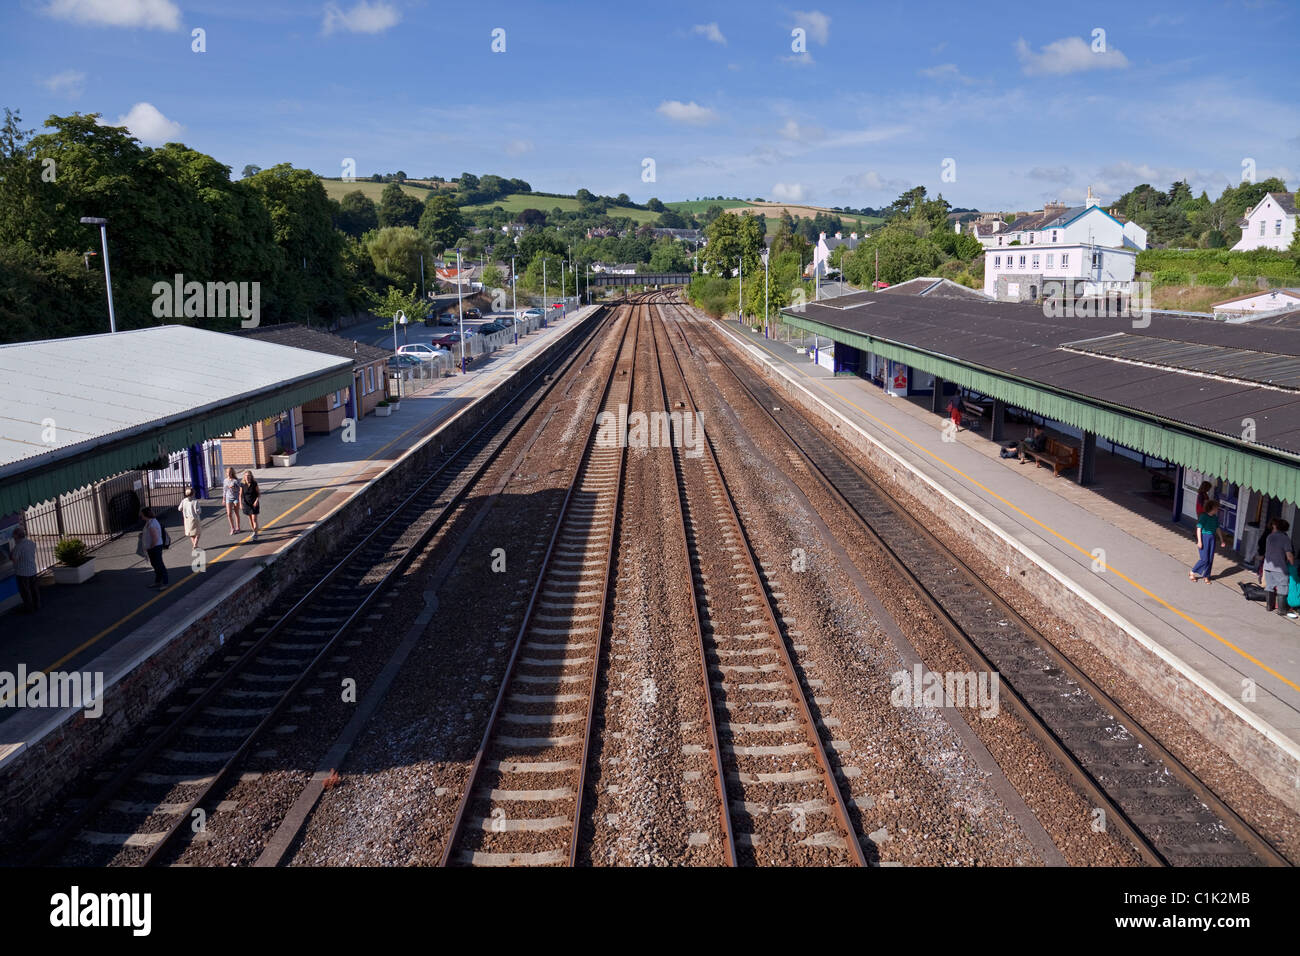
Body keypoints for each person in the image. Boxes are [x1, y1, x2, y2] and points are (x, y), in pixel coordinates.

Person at [1260, 518, 1295, 616]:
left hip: (1267, 566)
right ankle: (1281, 610)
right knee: (1283, 587)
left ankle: (1269, 606)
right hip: (1279, 568)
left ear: (1276, 527)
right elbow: (1289, 555)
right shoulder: (1285, 538)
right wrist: (1292, 563)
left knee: (1269, 586)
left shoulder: (1270, 537)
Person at [1189, 499, 1226, 583]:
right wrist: (1199, 541)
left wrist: (1222, 540)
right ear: (1212, 508)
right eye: (1216, 508)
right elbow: (1199, 529)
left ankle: (1207, 575)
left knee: (1210, 558)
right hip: (1204, 537)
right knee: (1204, 559)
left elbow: (1217, 528)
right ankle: (1192, 572)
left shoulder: (1215, 518)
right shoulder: (1204, 516)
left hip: (1212, 537)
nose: (1217, 509)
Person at [9, 527, 40, 614]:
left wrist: (11, 553)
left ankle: (29, 608)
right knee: (34, 589)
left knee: (25, 591)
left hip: (22, 572)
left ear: (16, 536)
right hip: (32, 570)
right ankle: (37, 604)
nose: (13, 538)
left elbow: (14, 559)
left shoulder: (18, 546)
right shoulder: (31, 543)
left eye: (14, 536)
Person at [140, 507, 169, 589]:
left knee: (159, 564)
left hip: (155, 547)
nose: (141, 516)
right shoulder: (150, 522)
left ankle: (165, 583)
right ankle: (158, 581)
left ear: (145, 515)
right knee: (155, 564)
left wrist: (151, 547)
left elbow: (155, 538)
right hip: (153, 547)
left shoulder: (152, 524)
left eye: (142, 514)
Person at [180, 486, 203, 550]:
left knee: (191, 533)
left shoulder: (184, 501)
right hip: (194, 518)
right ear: (193, 494)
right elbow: (198, 511)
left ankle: (194, 544)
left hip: (187, 519)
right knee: (198, 532)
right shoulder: (195, 502)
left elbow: (179, 508)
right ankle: (195, 544)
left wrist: (184, 510)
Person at [241, 471, 261, 541]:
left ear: (251, 476)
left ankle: (256, 534)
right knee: (250, 519)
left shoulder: (254, 484)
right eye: (246, 475)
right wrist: (240, 503)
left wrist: (256, 501)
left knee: (254, 519)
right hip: (246, 504)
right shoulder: (242, 484)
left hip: (254, 504)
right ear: (244, 477)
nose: (247, 477)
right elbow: (240, 495)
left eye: (249, 475)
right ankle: (254, 531)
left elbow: (258, 494)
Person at [222, 466, 242, 535]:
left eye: (230, 472)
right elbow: (224, 490)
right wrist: (223, 499)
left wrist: (234, 488)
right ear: (226, 473)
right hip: (228, 498)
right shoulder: (225, 481)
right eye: (227, 472)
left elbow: (239, 490)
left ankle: (238, 527)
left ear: (232, 473)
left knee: (236, 513)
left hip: (235, 498)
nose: (229, 473)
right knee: (229, 514)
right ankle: (232, 528)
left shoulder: (235, 481)